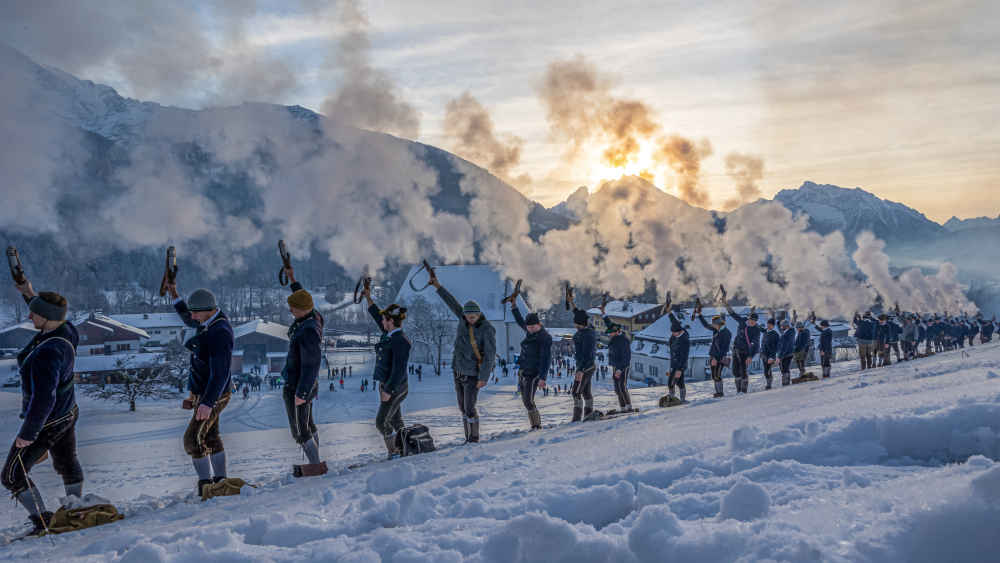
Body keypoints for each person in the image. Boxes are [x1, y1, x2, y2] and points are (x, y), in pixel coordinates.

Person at [2, 280, 83, 536]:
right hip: (67, 411)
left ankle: (43, 521)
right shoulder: (66, 331)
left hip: (47, 420)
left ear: (47, 317)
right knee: (66, 460)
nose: (29, 316)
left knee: (12, 474)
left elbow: (44, 398)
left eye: (34, 313)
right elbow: (47, 311)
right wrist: (29, 293)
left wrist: (28, 433)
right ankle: (76, 509)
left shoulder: (48, 353)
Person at [168, 280, 234, 498]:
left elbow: (220, 373)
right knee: (211, 437)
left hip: (214, 395)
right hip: (204, 393)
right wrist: (175, 295)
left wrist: (207, 403)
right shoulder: (207, 320)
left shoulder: (220, 332)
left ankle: (206, 486)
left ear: (209, 310)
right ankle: (220, 482)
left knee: (192, 440)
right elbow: (189, 318)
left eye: (196, 313)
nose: (192, 317)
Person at [429, 274, 496, 443]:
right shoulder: (462, 318)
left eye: (474, 316)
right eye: (468, 316)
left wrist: (483, 377)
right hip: (458, 370)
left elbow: (490, 355)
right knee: (462, 407)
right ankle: (468, 437)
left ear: (479, 314)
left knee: (469, 407)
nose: (470, 319)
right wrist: (437, 286)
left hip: (473, 374)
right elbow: (451, 302)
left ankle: (473, 438)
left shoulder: (487, 329)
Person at [279, 266, 326, 477]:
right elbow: (303, 297)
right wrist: (293, 279)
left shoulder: (308, 331)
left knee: (300, 430)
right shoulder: (313, 316)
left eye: (293, 308)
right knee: (308, 423)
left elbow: (312, 364)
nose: (291, 311)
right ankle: (316, 461)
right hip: (303, 384)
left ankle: (315, 465)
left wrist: (302, 393)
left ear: (303, 309)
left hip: (299, 385)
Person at [361, 283, 410, 458]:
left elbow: (399, 370)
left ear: (391, 321)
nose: (381, 322)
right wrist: (368, 297)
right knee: (396, 420)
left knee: (381, 422)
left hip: (395, 387)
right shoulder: (390, 333)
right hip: (388, 385)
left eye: (384, 320)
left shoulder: (400, 340)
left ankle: (395, 451)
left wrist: (388, 391)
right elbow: (377, 315)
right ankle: (407, 447)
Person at [511, 302, 552, 430]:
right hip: (524, 370)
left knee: (528, 400)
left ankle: (536, 425)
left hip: (535, 372)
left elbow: (546, 358)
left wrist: (543, 377)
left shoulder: (544, 338)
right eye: (528, 327)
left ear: (539, 324)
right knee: (525, 400)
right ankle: (535, 424)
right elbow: (520, 321)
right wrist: (514, 307)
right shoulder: (530, 331)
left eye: (533, 327)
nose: (530, 329)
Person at [568, 294, 597, 421]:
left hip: (586, 367)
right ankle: (588, 415)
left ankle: (576, 418)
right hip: (587, 366)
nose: (574, 325)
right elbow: (579, 313)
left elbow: (587, 354)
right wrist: (571, 302)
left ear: (580, 324)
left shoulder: (587, 336)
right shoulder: (587, 326)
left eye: (576, 323)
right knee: (585, 392)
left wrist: (580, 370)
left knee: (576, 392)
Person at [603, 305, 634, 411]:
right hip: (616, 365)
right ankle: (622, 407)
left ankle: (628, 407)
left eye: (611, 333)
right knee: (617, 389)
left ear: (617, 331)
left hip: (623, 366)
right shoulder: (615, 334)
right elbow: (609, 324)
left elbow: (626, 357)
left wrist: (620, 369)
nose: (609, 335)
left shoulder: (623, 340)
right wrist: (603, 314)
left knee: (622, 386)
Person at [725, 302, 760, 394]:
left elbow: (756, 345)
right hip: (736, 349)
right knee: (735, 371)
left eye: (754, 321)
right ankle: (738, 390)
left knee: (743, 371)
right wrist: (726, 304)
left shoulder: (756, 330)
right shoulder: (742, 321)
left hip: (745, 352)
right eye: (751, 320)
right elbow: (733, 314)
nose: (752, 322)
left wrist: (750, 356)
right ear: (748, 319)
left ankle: (743, 391)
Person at [696, 309, 731, 398]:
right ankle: (718, 392)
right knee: (714, 375)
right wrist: (699, 315)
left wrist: (716, 358)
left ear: (718, 323)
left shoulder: (726, 333)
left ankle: (720, 393)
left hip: (720, 357)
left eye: (713, 324)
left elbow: (725, 348)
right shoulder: (716, 330)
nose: (712, 325)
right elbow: (706, 325)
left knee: (717, 375)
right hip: (713, 356)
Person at [664, 303, 690, 403]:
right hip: (674, 363)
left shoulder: (684, 340)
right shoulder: (677, 330)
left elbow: (685, 356)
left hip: (679, 365)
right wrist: (669, 312)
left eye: (673, 332)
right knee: (678, 382)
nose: (672, 334)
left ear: (679, 331)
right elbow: (674, 321)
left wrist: (680, 369)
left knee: (672, 382)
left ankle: (674, 399)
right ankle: (679, 399)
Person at [762, 317, 779, 389]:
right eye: (768, 324)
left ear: (773, 326)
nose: (769, 325)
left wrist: (772, 357)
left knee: (768, 370)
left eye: (771, 325)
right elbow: (763, 343)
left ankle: (769, 384)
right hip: (764, 354)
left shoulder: (775, 334)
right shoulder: (765, 332)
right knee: (765, 371)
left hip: (770, 355)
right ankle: (768, 383)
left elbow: (776, 347)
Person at [778, 319, 795, 386]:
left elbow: (785, 346)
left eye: (782, 326)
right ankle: (786, 381)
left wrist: (780, 356)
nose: (781, 327)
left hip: (786, 354)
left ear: (786, 326)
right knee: (785, 368)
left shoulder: (787, 334)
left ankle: (785, 382)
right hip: (788, 353)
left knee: (784, 368)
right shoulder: (790, 332)